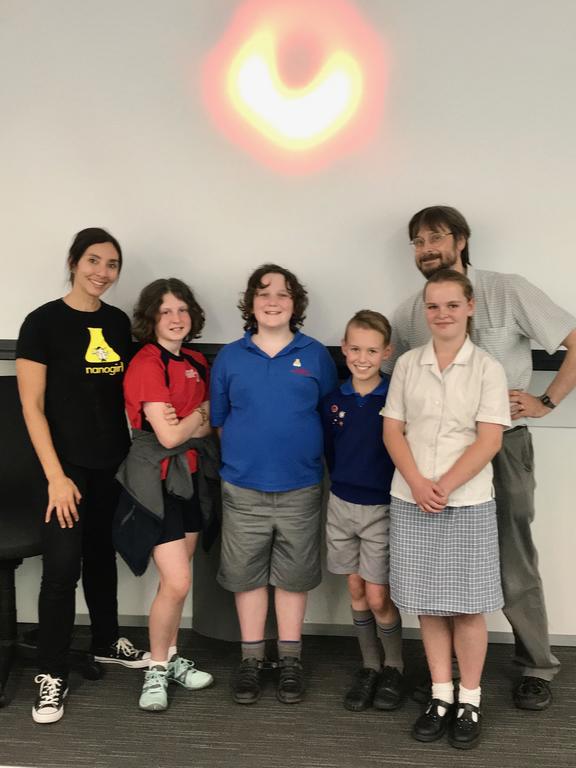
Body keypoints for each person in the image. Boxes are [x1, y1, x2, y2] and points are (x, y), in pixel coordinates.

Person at [384, 205, 576, 710]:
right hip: (434, 459)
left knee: (513, 554)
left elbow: (575, 340)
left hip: (502, 445)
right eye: (418, 242)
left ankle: (536, 665)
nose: (427, 249)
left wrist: (547, 400)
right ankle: (445, 682)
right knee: (438, 562)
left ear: (462, 240)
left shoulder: (507, 289)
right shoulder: (410, 311)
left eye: (437, 237)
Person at [16, 228, 148, 724]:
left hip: (109, 462)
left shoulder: (116, 323)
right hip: (62, 469)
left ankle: (106, 640)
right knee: (62, 568)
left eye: (112, 265)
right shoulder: (42, 322)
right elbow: (31, 406)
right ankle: (50, 673)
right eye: (93, 260)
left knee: (100, 555)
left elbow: (133, 391)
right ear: (73, 262)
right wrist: (55, 475)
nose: (102, 272)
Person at [383, 269, 510, 749]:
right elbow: (393, 429)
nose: (442, 314)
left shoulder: (488, 369)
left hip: (468, 501)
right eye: (433, 306)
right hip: (411, 497)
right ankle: (440, 695)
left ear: (470, 306)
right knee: (430, 605)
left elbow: (490, 438)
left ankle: (470, 700)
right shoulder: (409, 365)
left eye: (452, 305)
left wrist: (444, 485)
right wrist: (418, 482)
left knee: (468, 605)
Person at [210, 264, 337, 705]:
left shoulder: (316, 354)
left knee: (293, 577)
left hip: (301, 486)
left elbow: (327, 416)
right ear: (251, 302)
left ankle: (289, 659)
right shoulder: (230, 356)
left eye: (283, 294)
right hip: (243, 488)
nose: (273, 300)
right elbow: (221, 421)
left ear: (295, 303)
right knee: (247, 578)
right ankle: (250, 659)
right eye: (263, 293)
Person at [121, 278, 214, 711]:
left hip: (190, 478)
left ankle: (172, 658)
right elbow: (170, 433)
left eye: (182, 310)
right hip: (155, 481)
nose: (176, 319)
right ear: (151, 318)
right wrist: (196, 416)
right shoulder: (145, 363)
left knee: (176, 582)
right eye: (165, 311)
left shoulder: (196, 359)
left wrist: (192, 421)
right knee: (177, 582)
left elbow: (209, 424)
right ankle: (155, 670)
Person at [320, 310, 403, 712]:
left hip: (381, 508)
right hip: (341, 504)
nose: (363, 357)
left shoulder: (395, 398)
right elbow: (331, 452)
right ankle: (369, 666)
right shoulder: (334, 400)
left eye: (372, 350)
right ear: (344, 348)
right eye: (355, 348)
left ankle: (394, 666)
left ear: (386, 352)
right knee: (354, 588)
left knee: (377, 594)